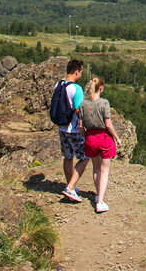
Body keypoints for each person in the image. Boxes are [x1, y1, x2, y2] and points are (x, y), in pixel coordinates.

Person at [79, 76, 120, 213]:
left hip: (90, 138)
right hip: (104, 138)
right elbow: (108, 124)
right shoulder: (104, 103)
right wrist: (117, 138)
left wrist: (86, 137)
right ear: (101, 88)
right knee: (104, 170)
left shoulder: (83, 104)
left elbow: (80, 126)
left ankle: (98, 195)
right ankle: (100, 201)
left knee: (96, 168)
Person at [56, 58, 87, 203]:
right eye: (81, 72)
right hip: (73, 129)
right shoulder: (76, 89)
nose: (81, 74)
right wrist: (83, 127)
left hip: (61, 127)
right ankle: (71, 187)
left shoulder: (59, 84)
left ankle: (70, 186)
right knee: (85, 157)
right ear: (76, 72)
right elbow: (78, 110)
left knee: (68, 157)